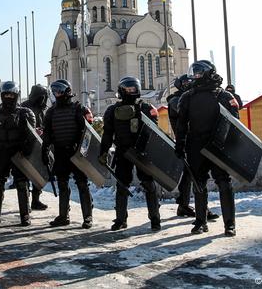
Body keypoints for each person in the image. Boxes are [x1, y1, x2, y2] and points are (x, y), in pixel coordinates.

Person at [175, 60, 239, 235]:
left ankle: (229, 224)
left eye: (199, 73)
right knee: (198, 184)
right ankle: (201, 221)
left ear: (209, 73)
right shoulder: (187, 97)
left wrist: (230, 145)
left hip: (218, 146)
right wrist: (179, 144)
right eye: (194, 73)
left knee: (224, 183)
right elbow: (181, 124)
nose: (195, 76)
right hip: (196, 145)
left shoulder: (224, 96)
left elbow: (234, 124)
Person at [98, 76, 162, 232]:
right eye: (127, 89)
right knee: (121, 185)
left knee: (148, 184)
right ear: (121, 90)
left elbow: (154, 132)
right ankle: (121, 219)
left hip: (142, 152)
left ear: (137, 89)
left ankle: (155, 219)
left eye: (132, 88)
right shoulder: (112, 110)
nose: (130, 91)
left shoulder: (146, 108)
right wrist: (103, 152)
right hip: (123, 151)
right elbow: (107, 134)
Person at [41, 79, 93, 229]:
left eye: (59, 91)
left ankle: (87, 217)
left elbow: (87, 133)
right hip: (60, 153)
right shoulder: (51, 112)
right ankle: (63, 216)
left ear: (66, 92)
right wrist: (44, 150)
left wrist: (83, 151)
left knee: (82, 184)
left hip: (76, 153)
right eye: (55, 91)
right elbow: (48, 134)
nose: (57, 94)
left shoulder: (77, 109)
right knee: (63, 184)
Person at [0, 81, 36, 226]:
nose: (8, 97)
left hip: (18, 153)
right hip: (2, 152)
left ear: (16, 95)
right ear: (2, 95)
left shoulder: (25, 113)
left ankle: (25, 215)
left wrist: (26, 150)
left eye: (11, 94)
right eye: (5, 94)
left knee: (21, 183)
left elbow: (32, 136)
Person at [167, 74, 195, 218]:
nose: (188, 84)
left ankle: (183, 204)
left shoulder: (191, 97)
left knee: (191, 174)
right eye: (185, 82)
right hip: (184, 140)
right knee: (192, 174)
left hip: (195, 139)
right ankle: (185, 205)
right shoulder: (175, 99)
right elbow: (188, 111)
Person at [21, 84, 50, 211]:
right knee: (26, 174)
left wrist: (44, 131)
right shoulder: (24, 107)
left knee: (38, 174)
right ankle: (25, 202)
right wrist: (32, 131)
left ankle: (35, 200)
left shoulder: (43, 108)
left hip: (40, 145)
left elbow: (46, 124)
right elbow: (20, 126)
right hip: (26, 145)